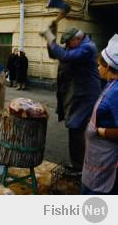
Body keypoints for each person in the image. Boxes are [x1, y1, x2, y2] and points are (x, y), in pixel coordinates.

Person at [42, 26, 101, 173]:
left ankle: (82, 168)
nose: (67, 46)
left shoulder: (88, 48)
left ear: (78, 39)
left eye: (68, 43)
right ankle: (79, 165)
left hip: (85, 96)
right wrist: (52, 39)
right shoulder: (76, 46)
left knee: (76, 129)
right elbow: (55, 54)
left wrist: (51, 38)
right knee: (75, 130)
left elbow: (65, 56)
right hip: (74, 94)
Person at [81, 34, 118, 195]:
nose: (98, 68)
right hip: (96, 158)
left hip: (105, 160)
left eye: (100, 66)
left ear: (109, 67)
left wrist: (101, 132)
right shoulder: (111, 84)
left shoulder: (116, 93)